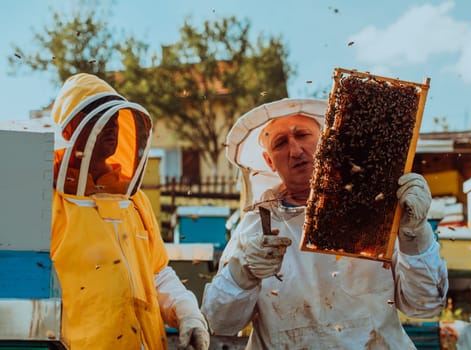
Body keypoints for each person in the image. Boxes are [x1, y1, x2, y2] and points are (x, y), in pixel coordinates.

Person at [201, 98, 448, 349]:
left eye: (303, 135)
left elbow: (425, 304)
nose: (295, 151)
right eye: (280, 143)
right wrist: (241, 274)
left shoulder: (375, 211)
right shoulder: (255, 228)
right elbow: (219, 323)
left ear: (326, 142)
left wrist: (414, 235)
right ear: (269, 161)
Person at [50, 73, 209, 350]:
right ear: (69, 129)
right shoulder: (51, 203)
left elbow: (157, 273)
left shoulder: (135, 201)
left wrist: (186, 311)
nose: (111, 125)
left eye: (114, 117)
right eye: (97, 115)